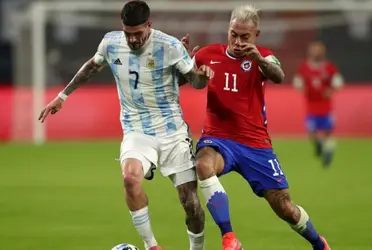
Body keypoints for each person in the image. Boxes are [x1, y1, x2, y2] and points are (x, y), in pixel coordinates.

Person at [38, 1, 214, 250]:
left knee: (191, 204)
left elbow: (195, 82)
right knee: (130, 179)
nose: (132, 40)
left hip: (173, 132)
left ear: (149, 26)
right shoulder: (111, 43)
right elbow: (92, 66)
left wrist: (202, 76)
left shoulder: (170, 46)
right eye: (128, 34)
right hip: (136, 130)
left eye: (138, 34)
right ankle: (151, 245)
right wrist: (63, 96)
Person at [181, 4, 331, 250]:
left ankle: (319, 243)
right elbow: (180, 80)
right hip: (218, 139)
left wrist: (258, 59)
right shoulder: (208, 54)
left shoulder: (264, 56)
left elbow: (279, 75)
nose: (238, 41)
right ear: (228, 29)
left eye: (245, 37)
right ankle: (229, 237)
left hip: (255, 144)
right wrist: (183, 61)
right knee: (203, 165)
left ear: (256, 35)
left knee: (285, 208)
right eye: (233, 34)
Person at [293, 41, 343, 167]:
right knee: (311, 132)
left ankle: (328, 153)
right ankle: (319, 145)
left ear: (323, 51)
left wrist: (330, 90)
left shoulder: (329, 67)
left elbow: (338, 83)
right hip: (311, 107)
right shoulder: (304, 67)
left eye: (318, 50)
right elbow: (297, 83)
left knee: (328, 132)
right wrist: (302, 87)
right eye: (314, 50)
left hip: (326, 107)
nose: (316, 52)